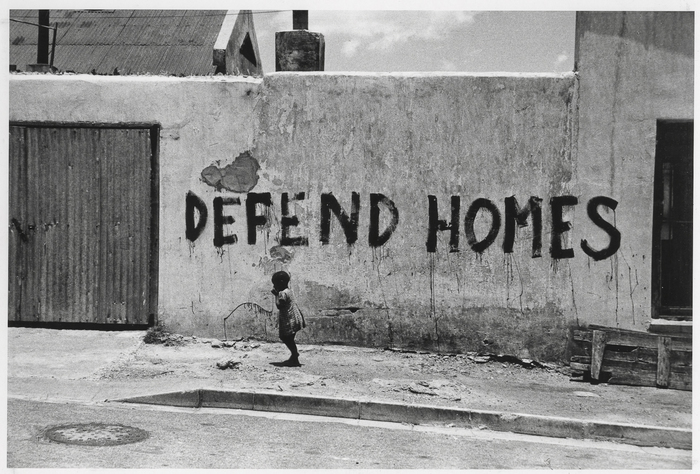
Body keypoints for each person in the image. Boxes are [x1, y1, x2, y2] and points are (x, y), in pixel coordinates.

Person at [271, 271, 305, 367]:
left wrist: (276, 295)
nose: (274, 286)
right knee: (290, 338)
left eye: (275, 284)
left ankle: (294, 355)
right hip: (295, 317)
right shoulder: (289, 291)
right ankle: (294, 357)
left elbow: (279, 306)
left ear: (281, 282)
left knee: (285, 337)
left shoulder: (282, 293)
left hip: (289, 319)